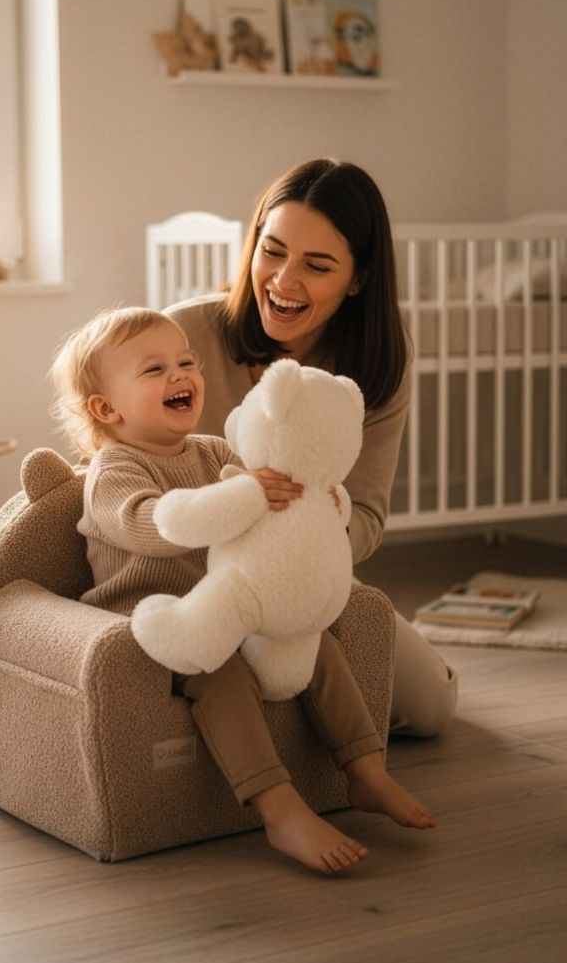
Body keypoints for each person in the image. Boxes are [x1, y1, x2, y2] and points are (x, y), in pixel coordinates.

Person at [50, 305, 436, 876]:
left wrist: (324, 503)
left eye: (186, 361)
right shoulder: (114, 469)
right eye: (154, 370)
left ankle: (365, 771)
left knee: (313, 638)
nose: (180, 375)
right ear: (107, 408)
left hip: (232, 604)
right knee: (219, 672)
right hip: (157, 624)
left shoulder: (215, 452)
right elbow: (152, 525)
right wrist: (247, 497)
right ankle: (278, 808)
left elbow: (275, 502)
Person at [164, 158, 458, 738]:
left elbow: (368, 518)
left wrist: (304, 527)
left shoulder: (378, 368)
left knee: (430, 705)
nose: (282, 281)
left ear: (358, 278)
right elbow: (114, 465)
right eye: (271, 251)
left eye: (316, 266)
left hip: (301, 579)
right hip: (185, 570)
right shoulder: (183, 335)